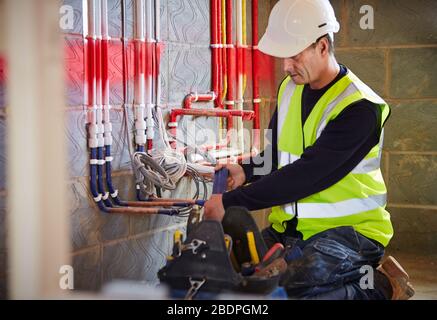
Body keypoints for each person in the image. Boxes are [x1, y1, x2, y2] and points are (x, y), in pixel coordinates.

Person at [203, 0, 415, 300]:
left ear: (323, 46)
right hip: (290, 230)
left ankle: (381, 286)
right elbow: (278, 154)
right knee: (243, 285)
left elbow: (308, 174)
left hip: (351, 233)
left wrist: (230, 201)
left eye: (294, 55)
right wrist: (246, 170)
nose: (286, 66)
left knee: (291, 289)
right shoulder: (291, 89)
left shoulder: (359, 108)